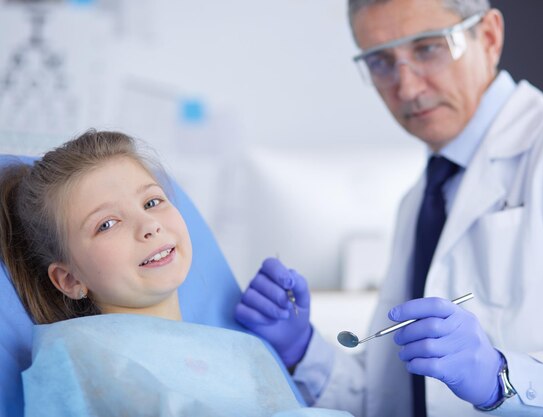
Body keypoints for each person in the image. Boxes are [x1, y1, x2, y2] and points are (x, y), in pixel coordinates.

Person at [234, 0, 543, 416]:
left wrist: (502, 377)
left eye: (427, 48)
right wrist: (300, 348)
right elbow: (392, 398)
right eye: (381, 61)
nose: (406, 88)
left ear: (489, 37)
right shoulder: (423, 195)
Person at [0, 130, 351, 417]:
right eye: (107, 224)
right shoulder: (72, 356)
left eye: (152, 202)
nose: (148, 225)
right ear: (70, 280)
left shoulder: (245, 352)